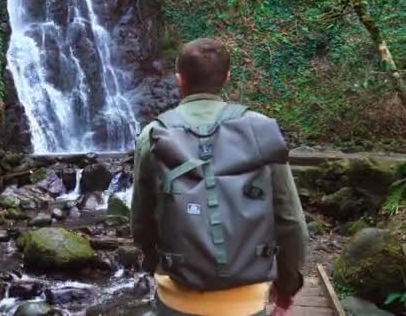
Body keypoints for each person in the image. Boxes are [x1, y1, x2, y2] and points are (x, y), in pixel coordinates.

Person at [131, 38, 308, 316]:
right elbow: (291, 222)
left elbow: (141, 223)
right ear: (227, 77)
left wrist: (157, 264)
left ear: (179, 79)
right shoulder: (261, 130)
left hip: (177, 299)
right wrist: (286, 290)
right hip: (247, 302)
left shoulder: (153, 135)